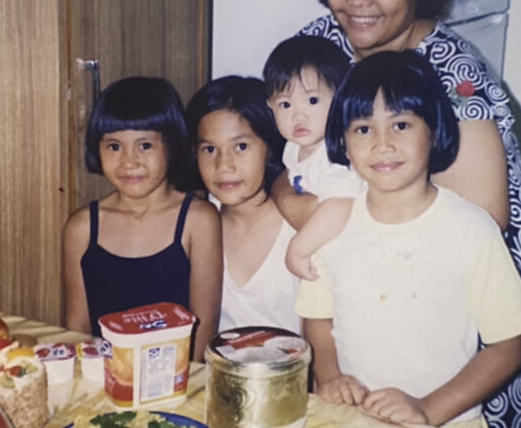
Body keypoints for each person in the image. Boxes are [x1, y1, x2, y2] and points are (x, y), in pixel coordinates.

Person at [284, 0, 521, 427]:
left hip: (488, 269)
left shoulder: (453, 69)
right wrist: (308, 210)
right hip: (372, 257)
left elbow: (486, 214)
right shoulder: (321, 44)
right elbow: (286, 151)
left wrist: (328, 224)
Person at [297, 51, 521, 427]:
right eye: (363, 129)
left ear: (434, 131)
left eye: (401, 125)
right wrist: (329, 377)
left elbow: (508, 346)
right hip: (352, 417)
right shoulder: (332, 228)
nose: (382, 144)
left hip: (448, 420)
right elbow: (317, 317)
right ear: (342, 143)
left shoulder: (471, 229)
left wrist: (428, 409)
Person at [62, 76, 222, 361]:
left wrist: (190, 390)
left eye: (145, 145)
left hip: (177, 382)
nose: (129, 161)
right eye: (114, 146)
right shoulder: (82, 227)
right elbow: (77, 327)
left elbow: (204, 324)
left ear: (171, 146)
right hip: (107, 378)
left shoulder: (198, 220)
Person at [185, 76, 300, 334]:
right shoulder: (198, 222)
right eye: (210, 150)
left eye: (241, 146)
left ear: (269, 148)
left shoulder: (298, 222)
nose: (224, 165)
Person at [261, 35, 362, 280]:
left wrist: (298, 249)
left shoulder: (334, 153)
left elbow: (339, 206)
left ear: (339, 100)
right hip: (322, 257)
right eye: (285, 104)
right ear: (270, 106)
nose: (298, 117)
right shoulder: (293, 147)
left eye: (313, 100)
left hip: (351, 259)